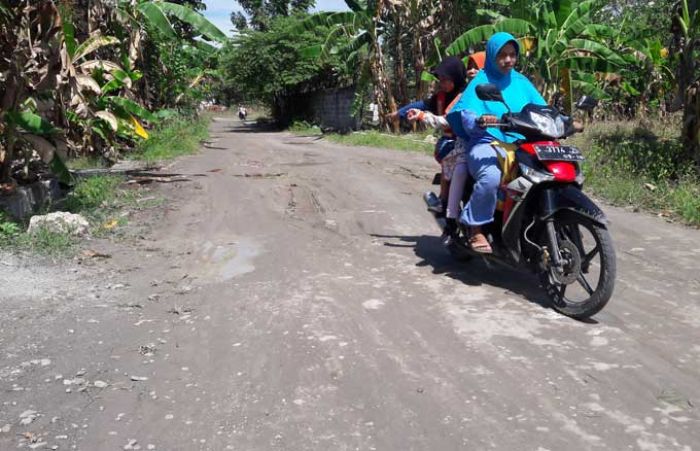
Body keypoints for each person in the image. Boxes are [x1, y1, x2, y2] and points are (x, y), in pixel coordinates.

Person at [447, 33, 547, 254]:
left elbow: (543, 108)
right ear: (492, 56)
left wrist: (565, 120)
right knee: (491, 176)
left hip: (521, 143)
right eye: (502, 55)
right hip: (486, 141)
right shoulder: (481, 81)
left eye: (512, 55)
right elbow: (466, 113)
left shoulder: (522, 82)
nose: (508, 60)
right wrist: (480, 120)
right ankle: (475, 228)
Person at [405, 53, 485, 244]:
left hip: (493, 141)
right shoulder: (465, 94)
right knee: (460, 169)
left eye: (477, 67)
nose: (472, 71)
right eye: (470, 67)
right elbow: (450, 119)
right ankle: (450, 219)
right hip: (467, 141)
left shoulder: (499, 86)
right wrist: (420, 115)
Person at [388, 56, 468, 223]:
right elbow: (422, 105)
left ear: (457, 78)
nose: (442, 83)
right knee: (447, 155)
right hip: (450, 142)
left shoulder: (466, 96)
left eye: (446, 80)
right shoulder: (440, 96)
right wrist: (400, 113)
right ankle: (444, 200)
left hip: (467, 140)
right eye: (441, 79)